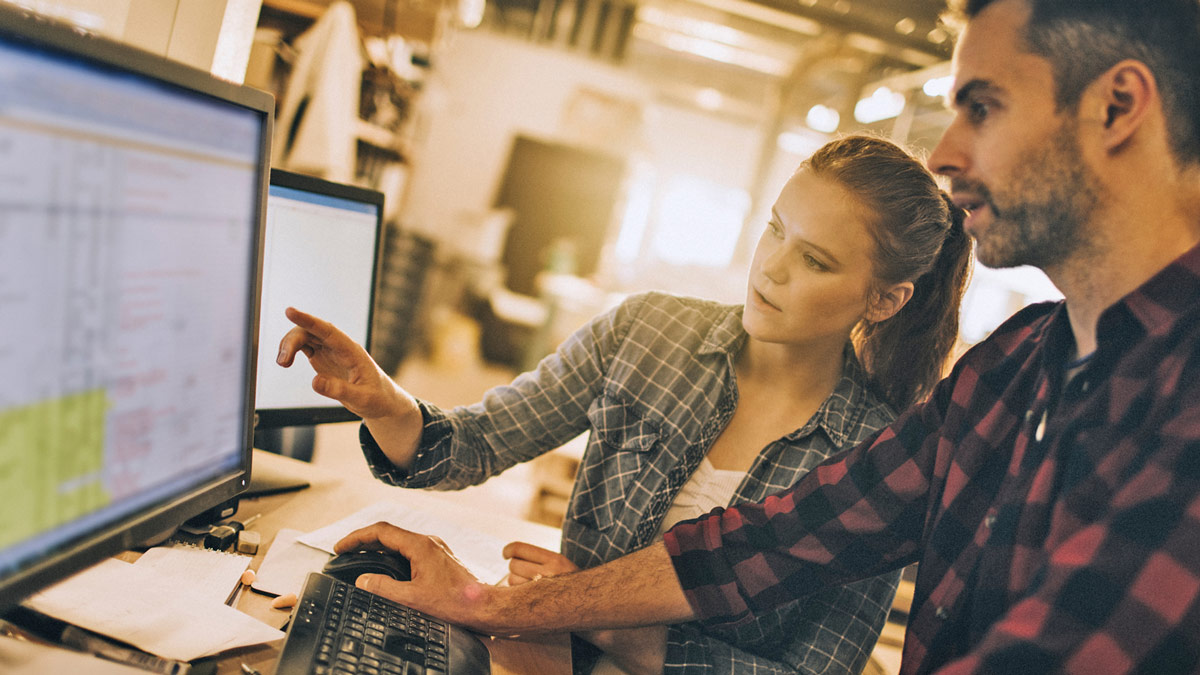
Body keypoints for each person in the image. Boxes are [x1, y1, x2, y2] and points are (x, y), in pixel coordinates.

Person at [322, 0, 1200, 672]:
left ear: (1117, 104)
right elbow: (760, 547)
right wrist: (490, 603)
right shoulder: (1016, 368)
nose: (946, 154)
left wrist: (559, 623)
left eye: (983, 107)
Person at [276, 135, 973, 674]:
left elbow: (816, 669)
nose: (773, 266)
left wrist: (595, 615)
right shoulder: (648, 331)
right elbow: (474, 442)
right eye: (775, 228)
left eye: (816, 261)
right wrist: (384, 402)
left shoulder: (883, 459)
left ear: (885, 299)